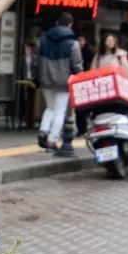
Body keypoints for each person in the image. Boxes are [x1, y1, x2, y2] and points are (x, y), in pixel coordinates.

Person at [36, 13, 84, 154]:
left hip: (46, 80)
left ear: (57, 22)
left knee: (50, 107)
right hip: (64, 82)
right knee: (60, 111)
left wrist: (37, 77)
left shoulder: (43, 40)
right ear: (70, 25)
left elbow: (36, 60)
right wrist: (78, 76)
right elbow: (77, 65)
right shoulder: (73, 43)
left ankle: (43, 130)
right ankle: (52, 140)